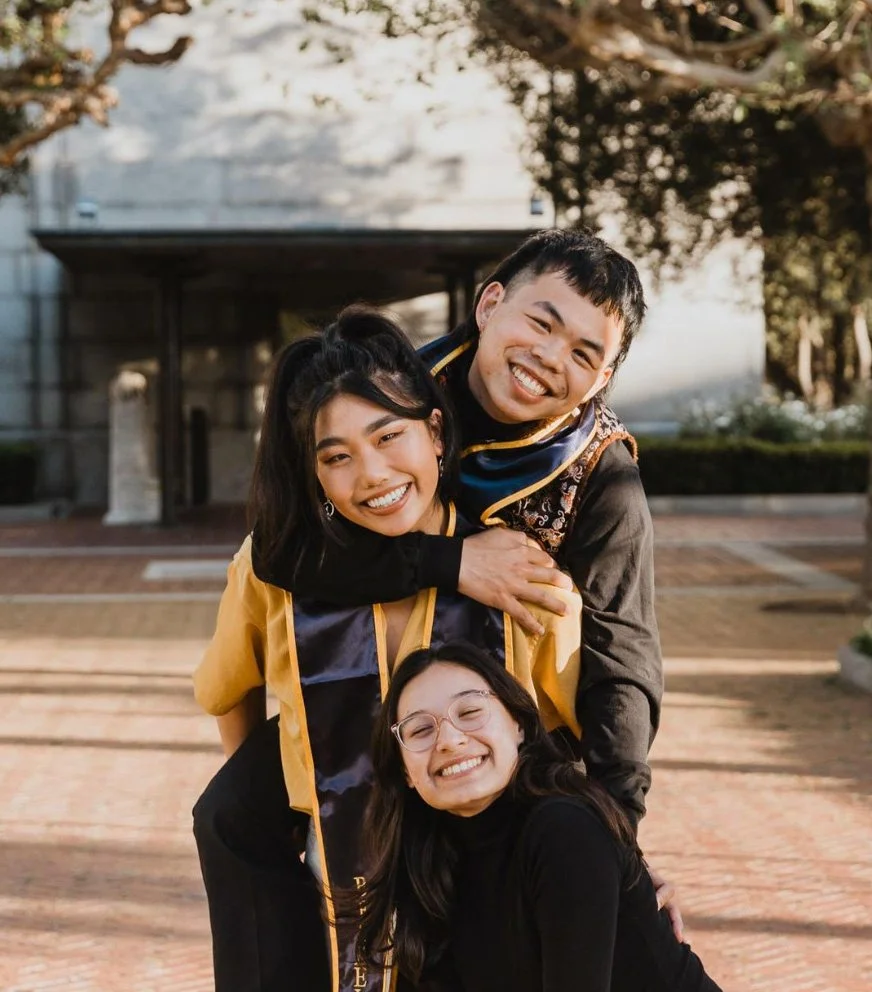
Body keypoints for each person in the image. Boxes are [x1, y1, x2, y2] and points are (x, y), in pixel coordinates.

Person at [193, 228, 672, 991]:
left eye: (585, 352)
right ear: (489, 304)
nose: (550, 357)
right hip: (351, 673)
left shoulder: (598, 476)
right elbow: (281, 547)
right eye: (541, 322)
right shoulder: (392, 384)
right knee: (232, 813)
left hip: (492, 704)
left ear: (605, 376)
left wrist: (616, 850)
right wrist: (451, 561)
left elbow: (622, 668)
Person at [356, 640, 722, 992]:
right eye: (420, 729)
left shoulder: (565, 829)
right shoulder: (424, 858)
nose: (449, 740)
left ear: (518, 723)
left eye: (469, 712)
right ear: (404, 770)